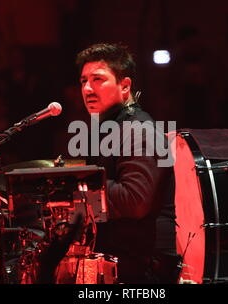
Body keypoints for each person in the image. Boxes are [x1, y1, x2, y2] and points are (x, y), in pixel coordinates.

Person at [75, 43, 180, 284]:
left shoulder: (139, 130)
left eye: (98, 79)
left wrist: (74, 187)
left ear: (125, 86)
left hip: (143, 272)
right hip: (122, 262)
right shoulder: (107, 129)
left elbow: (134, 202)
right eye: (83, 81)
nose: (88, 88)